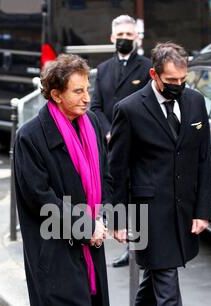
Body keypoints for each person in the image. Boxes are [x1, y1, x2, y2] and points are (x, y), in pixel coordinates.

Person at [108, 42, 211, 306]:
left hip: (183, 212)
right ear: (154, 74)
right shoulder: (129, 109)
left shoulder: (195, 101)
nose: (179, 85)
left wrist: (203, 210)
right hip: (146, 214)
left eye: (183, 78)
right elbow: (117, 169)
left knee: (154, 281)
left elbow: (202, 160)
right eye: (171, 79)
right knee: (167, 284)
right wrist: (119, 219)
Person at [14, 54, 112, 306]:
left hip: (85, 235)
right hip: (52, 243)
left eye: (88, 89)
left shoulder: (90, 124)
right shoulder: (30, 137)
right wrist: (87, 228)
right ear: (55, 94)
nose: (87, 97)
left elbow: (102, 178)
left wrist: (101, 219)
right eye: (78, 91)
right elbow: (42, 199)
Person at [91, 14, 152, 268]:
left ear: (136, 38)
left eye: (129, 35)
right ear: (112, 38)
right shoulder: (104, 69)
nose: (125, 39)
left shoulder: (147, 66)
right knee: (113, 190)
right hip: (109, 145)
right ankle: (120, 234)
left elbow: (149, 106)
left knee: (134, 192)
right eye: (120, 36)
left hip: (136, 144)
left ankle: (135, 246)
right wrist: (108, 130)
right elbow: (95, 106)